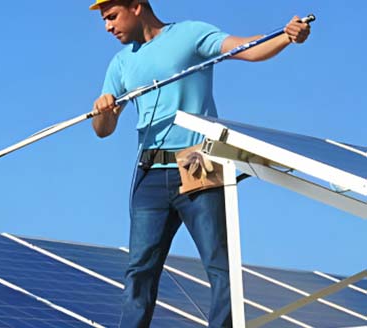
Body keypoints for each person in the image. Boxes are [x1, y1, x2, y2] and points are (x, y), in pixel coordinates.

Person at [87, 0, 310, 327]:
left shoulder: (190, 34)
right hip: (149, 172)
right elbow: (102, 131)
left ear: (136, 6)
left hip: (197, 160)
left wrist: (288, 37)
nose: (107, 26)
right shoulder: (121, 63)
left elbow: (248, 48)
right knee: (139, 270)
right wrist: (103, 112)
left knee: (221, 265)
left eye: (111, 16)